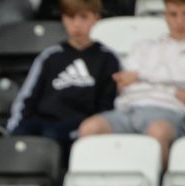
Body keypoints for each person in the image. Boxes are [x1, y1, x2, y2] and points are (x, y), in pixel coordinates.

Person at [77, 0, 185, 166]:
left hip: (168, 112)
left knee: (158, 132)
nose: (180, 21)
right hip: (128, 109)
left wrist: (140, 76)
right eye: (173, 14)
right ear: (165, 16)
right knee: (89, 128)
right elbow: (126, 83)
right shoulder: (143, 47)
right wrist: (174, 91)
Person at [6, 0, 119, 165]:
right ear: (63, 19)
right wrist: (15, 127)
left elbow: (108, 104)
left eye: (83, 17)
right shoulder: (50, 56)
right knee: (20, 136)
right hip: (42, 121)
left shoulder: (108, 59)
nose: (76, 24)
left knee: (52, 137)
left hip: (78, 124)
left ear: (96, 18)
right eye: (70, 17)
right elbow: (28, 96)